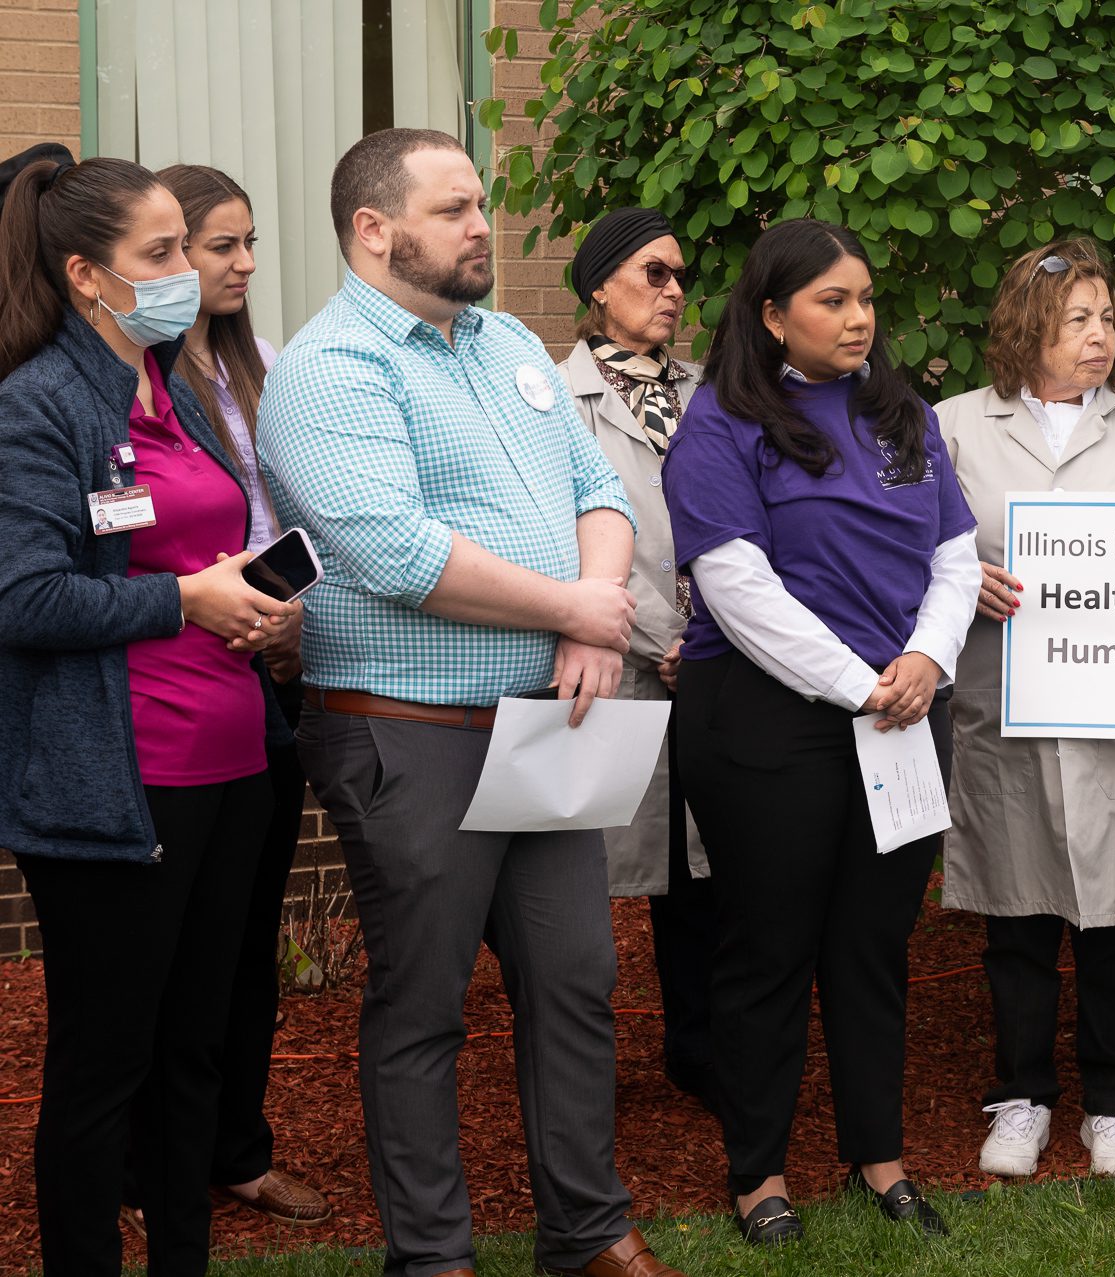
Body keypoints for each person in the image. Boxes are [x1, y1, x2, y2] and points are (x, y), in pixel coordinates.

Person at [256, 128, 682, 1277]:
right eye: (453, 209)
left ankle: (586, 1233)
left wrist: (588, 607)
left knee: (577, 981)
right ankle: (434, 1256)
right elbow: (397, 550)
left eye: (481, 202)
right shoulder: (331, 367)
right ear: (373, 230)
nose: (483, 224)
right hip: (408, 732)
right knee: (425, 1002)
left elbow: (598, 488)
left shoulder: (508, 343)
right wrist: (580, 611)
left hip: (545, 723)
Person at [0, 145, 288, 1276]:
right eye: (161, 253)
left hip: (233, 766)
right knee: (105, 1062)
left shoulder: (174, 382)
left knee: (194, 1052)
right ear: (86, 276)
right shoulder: (36, 404)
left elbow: (198, 544)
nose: (192, 270)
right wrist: (185, 595)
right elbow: (23, 592)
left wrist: (247, 598)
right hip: (119, 785)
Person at [663, 217, 976, 1246]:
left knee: (874, 944)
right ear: (770, 313)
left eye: (866, 299)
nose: (858, 318)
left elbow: (957, 555)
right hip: (767, 717)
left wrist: (925, 660)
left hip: (899, 707)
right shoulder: (723, 420)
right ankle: (759, 1173)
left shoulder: (902, 412)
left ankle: (877, 1156)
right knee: (769, 947)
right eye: (832, 300)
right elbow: (736, 585)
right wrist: (863, 686)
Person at [935, 239, 1115, 1179]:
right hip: (1004, 707)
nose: (1099, 336)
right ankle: (1019, 1098)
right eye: (1075, 319)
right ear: (1025, 328)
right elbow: (914, 551)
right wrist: (964, 580)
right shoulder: (956, 427)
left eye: (1106, 318)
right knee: (1016, 916)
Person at [156, 161, 331, 1226]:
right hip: (179, 684)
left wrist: (288, 614)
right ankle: (145, 1164)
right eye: (220, 245)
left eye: (248, 243)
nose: (242, 264)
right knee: (169, 949)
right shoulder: (138, 384)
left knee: (244, 933)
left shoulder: (262, 365)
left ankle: (237, 1146)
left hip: (272, 676)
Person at [558, 206, 717, 1106]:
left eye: (679, 275)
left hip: (714, 660)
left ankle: (700, 1048)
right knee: (587, 867)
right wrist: (650, 633)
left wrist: (711, 635)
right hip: (613, 661)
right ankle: (576, 1062)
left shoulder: (714, 392)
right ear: (599, 287)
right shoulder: (552, 397)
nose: (673, 291)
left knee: (705, 872)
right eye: (654, 273)